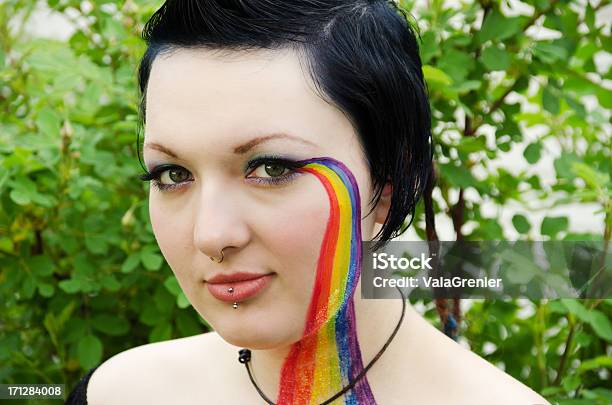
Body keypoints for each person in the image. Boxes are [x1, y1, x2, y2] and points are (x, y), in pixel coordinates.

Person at [67, 1, 550, 404]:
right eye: (173, 175)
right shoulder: (122, 393)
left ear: (388, 180)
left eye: (271, 168)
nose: (211, 235)